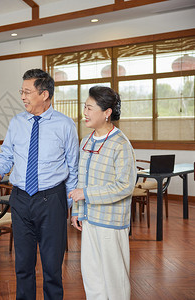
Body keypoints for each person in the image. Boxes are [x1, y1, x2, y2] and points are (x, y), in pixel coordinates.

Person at [0, 68, 79, 300]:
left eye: (27, 92)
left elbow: (73, 167)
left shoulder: (65, 125)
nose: (22, 96)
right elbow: (7, 156)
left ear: (44, 95)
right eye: (22, 91)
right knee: (23, 266)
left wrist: (70, 205)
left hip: (52, 200)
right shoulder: (17, 122)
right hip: (20, 199)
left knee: (52, 267)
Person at [69, 86, 136, 300]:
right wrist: (77, 211)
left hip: (111, 222)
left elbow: (124, 185)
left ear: (107, 112)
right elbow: (81, 179)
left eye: (90, 108)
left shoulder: (120, 144)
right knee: (92, 276)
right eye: (85, 107)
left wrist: (86, 194)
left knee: (114, 279)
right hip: (89, 220)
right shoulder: (86, 141)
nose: (85, 113)